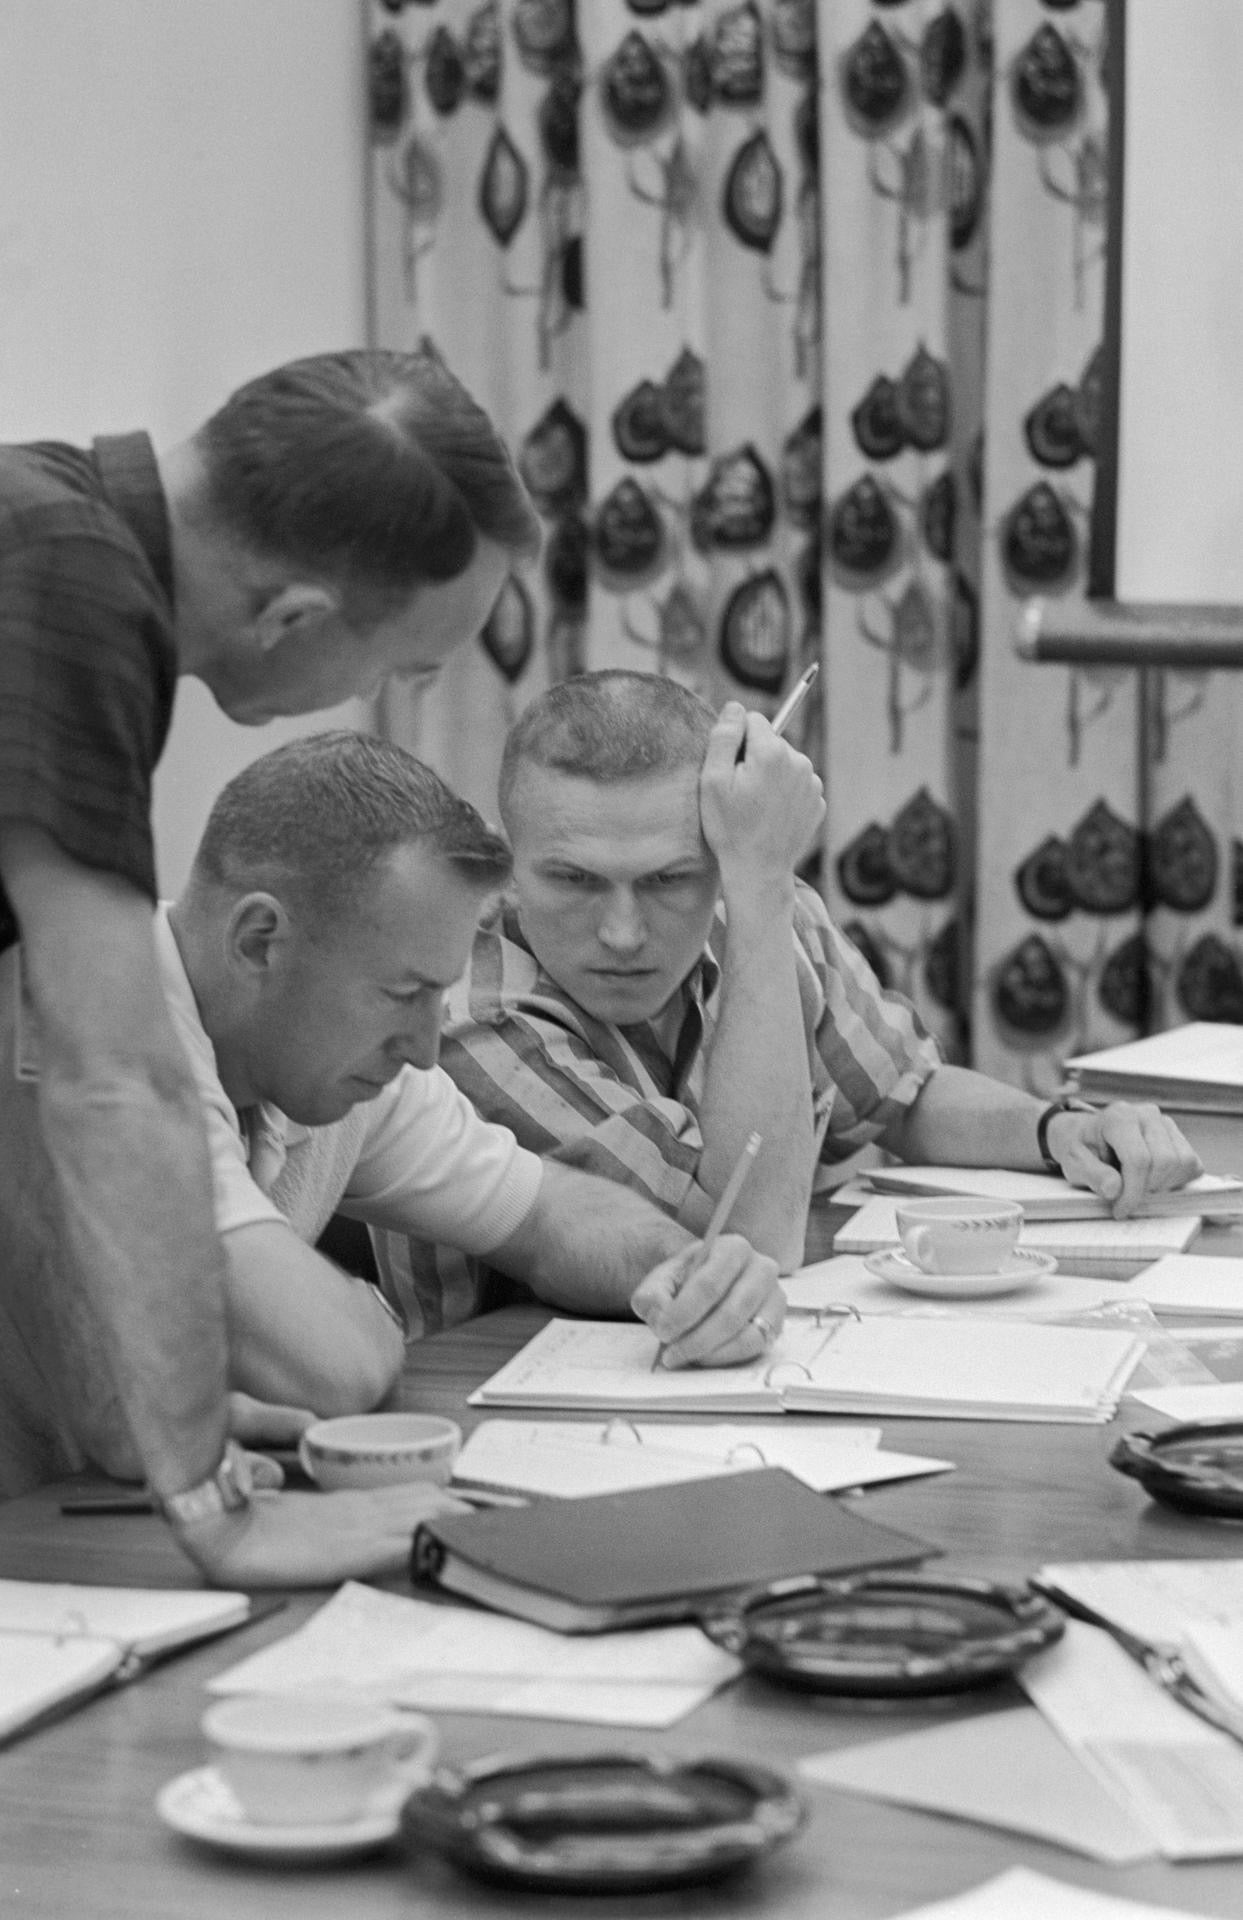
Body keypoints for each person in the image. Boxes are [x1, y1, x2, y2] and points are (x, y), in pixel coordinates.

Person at [0, 346, 546, 1585]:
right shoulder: (64, 577)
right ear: (294, 616)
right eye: (401, 667)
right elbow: (110, 1076)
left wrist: (168, 1410)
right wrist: (215, 1508)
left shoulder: (48, 533)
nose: (383, 697)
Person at [409, 670, 1201, 1281]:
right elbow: (748, 1237)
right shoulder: (470, 1012)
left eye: (668, 880)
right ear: (505, 869)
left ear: (717, 849)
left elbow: (903, 1094)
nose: (622, 934)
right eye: (574, 881)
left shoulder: (751, 899)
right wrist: (755, 885)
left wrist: (1060, 1130)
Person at [159, 731, 781, 1426]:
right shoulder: (109, 1041)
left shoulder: (345, 1070)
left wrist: (689, 1275)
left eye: (438, 995)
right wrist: (367, 1322)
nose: (426, 1050)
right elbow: (334, 1369)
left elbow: (548, 1217)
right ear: (257, 941)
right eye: (401, 994)